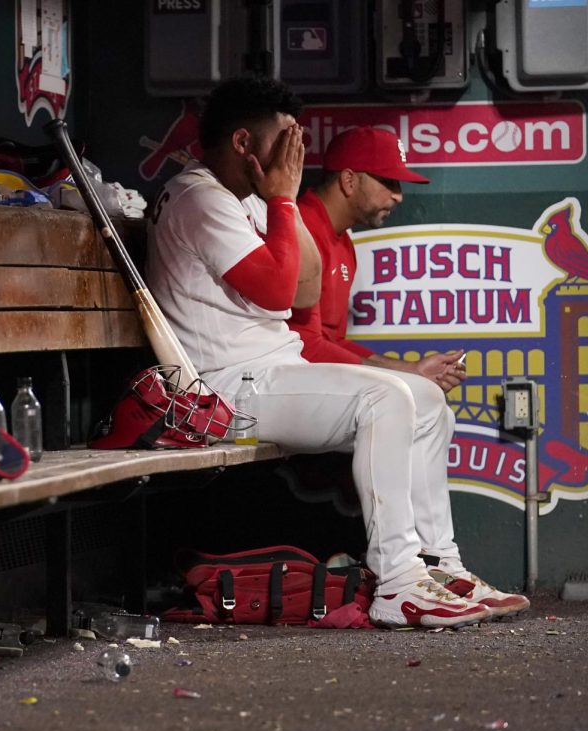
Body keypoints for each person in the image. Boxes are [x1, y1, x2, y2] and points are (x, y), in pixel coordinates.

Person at [145, 77, 528, 628]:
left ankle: (439, 566)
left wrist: (282, 198)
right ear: (243, 144)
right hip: (220, 391)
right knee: (388, 400)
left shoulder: (247, 199)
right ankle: (398, 582)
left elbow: (302, 291)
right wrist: (282, 197)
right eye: (284, 143)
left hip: (268, 374)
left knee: (427, 401)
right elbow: (281, 292)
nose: (293, 156)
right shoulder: (200, 196)